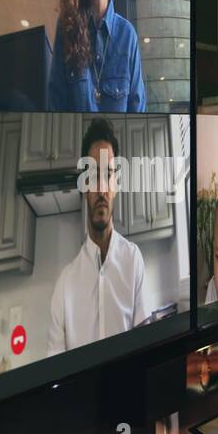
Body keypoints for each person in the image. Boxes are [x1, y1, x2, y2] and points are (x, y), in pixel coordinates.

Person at [49, 118, 147, 354]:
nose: (101, 189)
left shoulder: (133, 260)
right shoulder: (64, 285)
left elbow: (145, 350)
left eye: (108, 174)